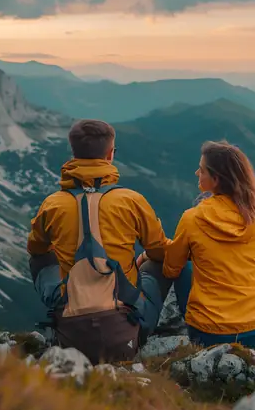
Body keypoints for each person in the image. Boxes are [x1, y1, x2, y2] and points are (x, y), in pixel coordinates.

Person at [26, 119, 188, 365]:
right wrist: (142, 259)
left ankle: (62, 315)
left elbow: (36, 249)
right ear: (110, 154)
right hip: (126, 335)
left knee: (40, 258)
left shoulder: (52, 204)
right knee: (157, 264)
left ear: (73, 153)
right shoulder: (131, 200)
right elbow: (160, 251)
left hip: (73, 338)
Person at [143, 139, 255, 349]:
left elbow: (171, 270)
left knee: (182, 267)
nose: (197, 174)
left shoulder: (192, 219)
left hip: (209, 334)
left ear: (215, 179)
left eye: (202, 170)